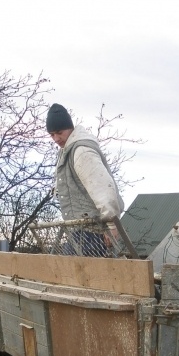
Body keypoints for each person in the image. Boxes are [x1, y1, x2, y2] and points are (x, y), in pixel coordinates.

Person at [46, 103, 124, 256]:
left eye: (59, 132)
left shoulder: (82, 152)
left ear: (70, 128)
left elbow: (102, 188)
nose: (56, 138)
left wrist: (111, 225)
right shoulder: (66, 152)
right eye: (52, 134)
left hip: (93, 232)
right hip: (79, 230)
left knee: (80, 276)